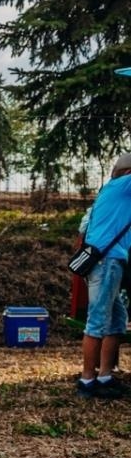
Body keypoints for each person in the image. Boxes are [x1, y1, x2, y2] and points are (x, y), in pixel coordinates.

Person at [76, 150, 131, 399]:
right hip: (107, 262)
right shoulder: (122, 187)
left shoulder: (110, 192)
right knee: (97, 321)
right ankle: (87, 381)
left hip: (103, 260)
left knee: (118, 318)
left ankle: (105, 376)